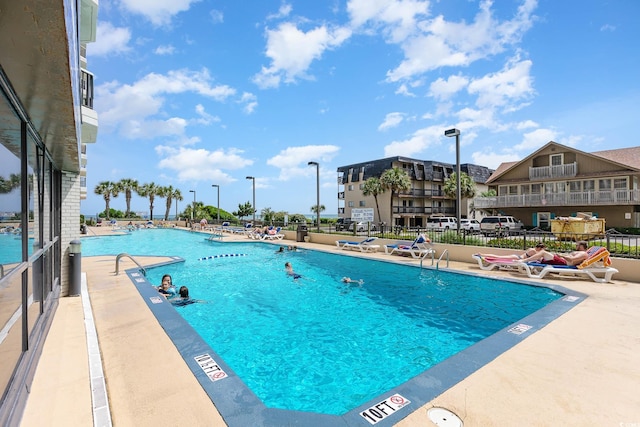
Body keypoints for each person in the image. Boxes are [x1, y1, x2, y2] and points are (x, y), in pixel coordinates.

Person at [474, 243, 544, 260]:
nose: (542, 250)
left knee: (499, 257)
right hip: (518, 258)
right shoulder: (534, 251)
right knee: (498, 257)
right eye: (541, 249)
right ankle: (482, 254)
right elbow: (539, 257)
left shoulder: (531, 249)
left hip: (517, 256)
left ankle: (482, 254)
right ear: (539, 248)